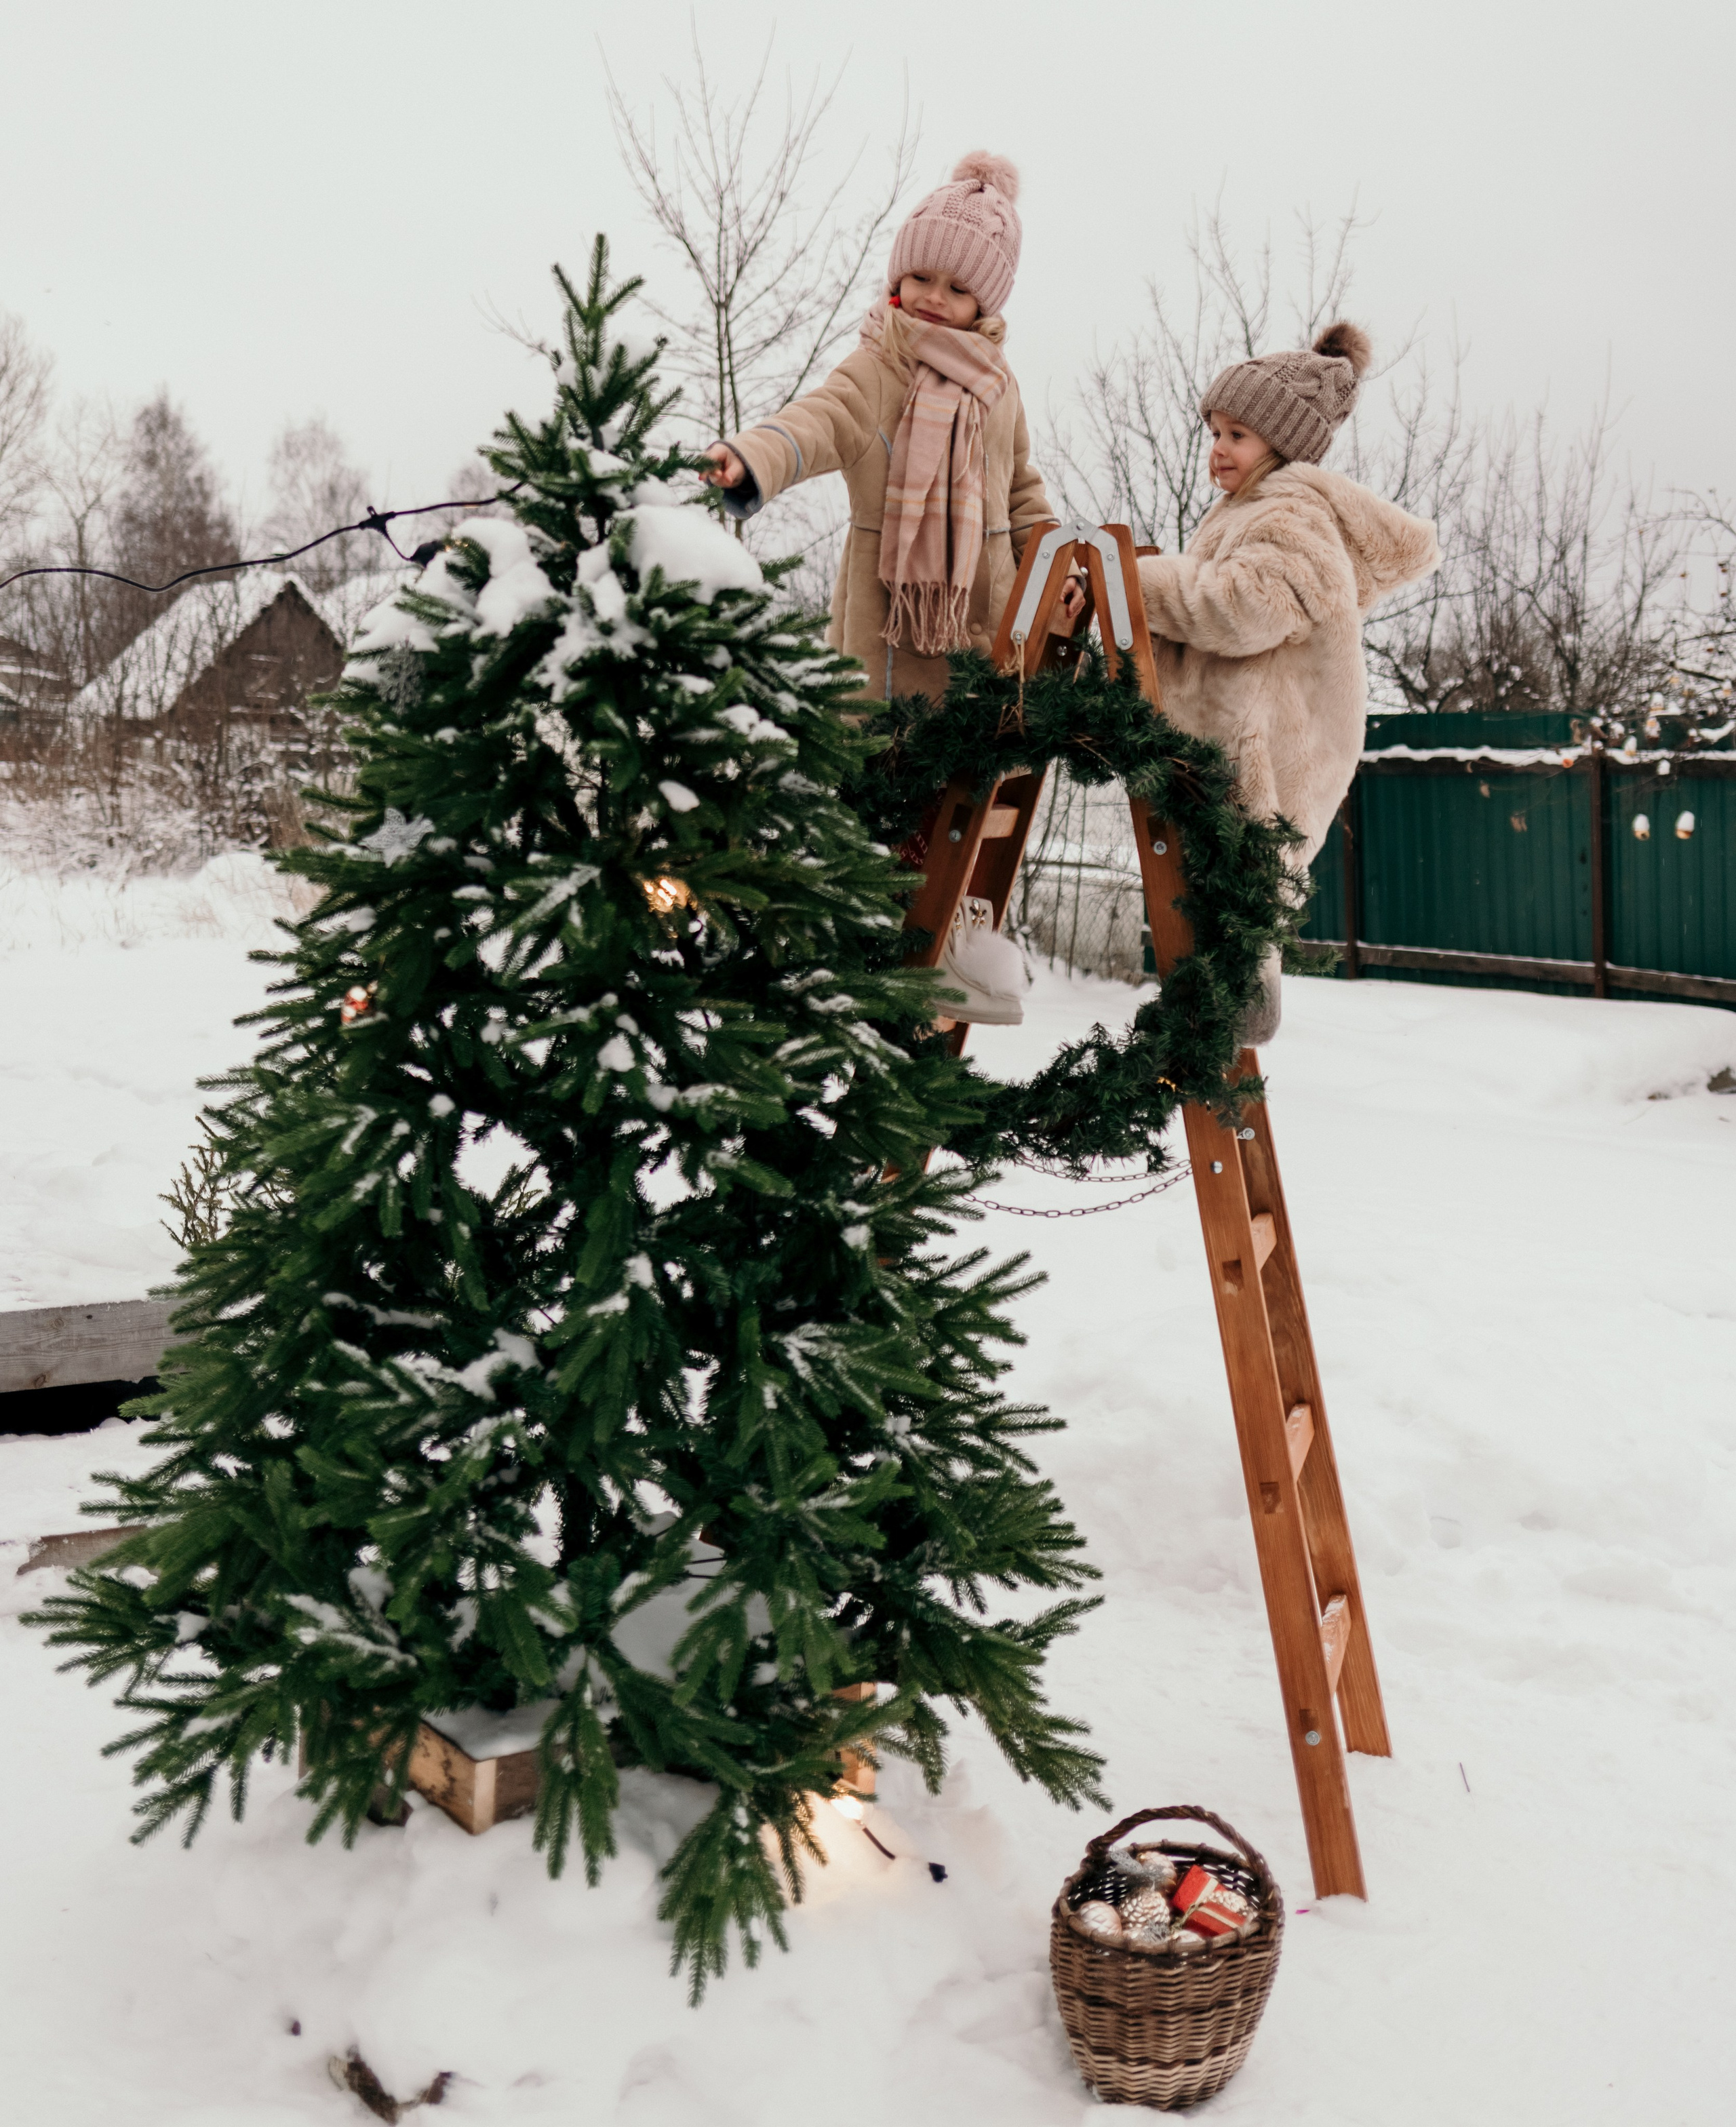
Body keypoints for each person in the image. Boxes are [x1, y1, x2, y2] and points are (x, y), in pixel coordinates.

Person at [1135, 322, 1440, 1042]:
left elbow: (1242, 610)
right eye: (1213, 431)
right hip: (1242, 740)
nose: (1217, 449)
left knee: (1238, 878)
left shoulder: (1292, 512)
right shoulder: (1252, 509)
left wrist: (1133, 584)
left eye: (1237, 434)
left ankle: (1240, 996)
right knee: (1219, 881)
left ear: (1282, 442)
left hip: (1270, 748)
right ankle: (1226, 993)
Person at [700, 151, 1082, 707]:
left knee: (973, 776)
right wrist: (751, 454)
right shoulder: (880, 365)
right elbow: (820, 419)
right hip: (892, 628)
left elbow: (1021, 492)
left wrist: (1059, 570)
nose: (934, 297)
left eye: (957, 288)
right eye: (922, 276)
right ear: (898, 275)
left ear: (985, 302)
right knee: (891, 771)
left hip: (988, 632)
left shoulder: (998, 385)